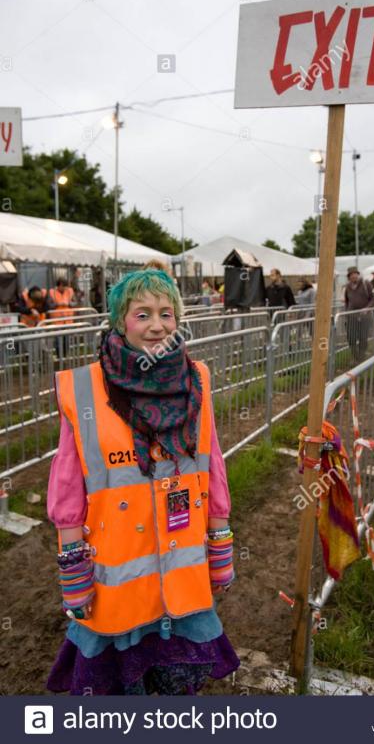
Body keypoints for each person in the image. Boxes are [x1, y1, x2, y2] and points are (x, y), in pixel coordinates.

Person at [46, 269, 239, 695]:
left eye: (167, 313)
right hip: (118, 585)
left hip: (181, 577)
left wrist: (220, 538)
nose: (157, 325)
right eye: (142, 314)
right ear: (120, 321)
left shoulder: (196, 380)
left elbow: (213, 463)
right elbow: (67, 484)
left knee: (176, 693)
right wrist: (72, 565)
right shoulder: (84, 389)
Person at [343, 266, 374, 362]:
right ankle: (356, 356)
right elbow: (347, 301)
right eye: (351, 275)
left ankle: (361, 358)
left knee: (363, 338)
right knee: (351, 338)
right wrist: (346, 312)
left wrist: (367, 308)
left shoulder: (366, 284)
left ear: (358, 274)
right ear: (349, 277)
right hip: (352, 316)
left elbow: (373, 299)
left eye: (355, 274)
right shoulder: (347, 287)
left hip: (364, 316)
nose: (353, 276)